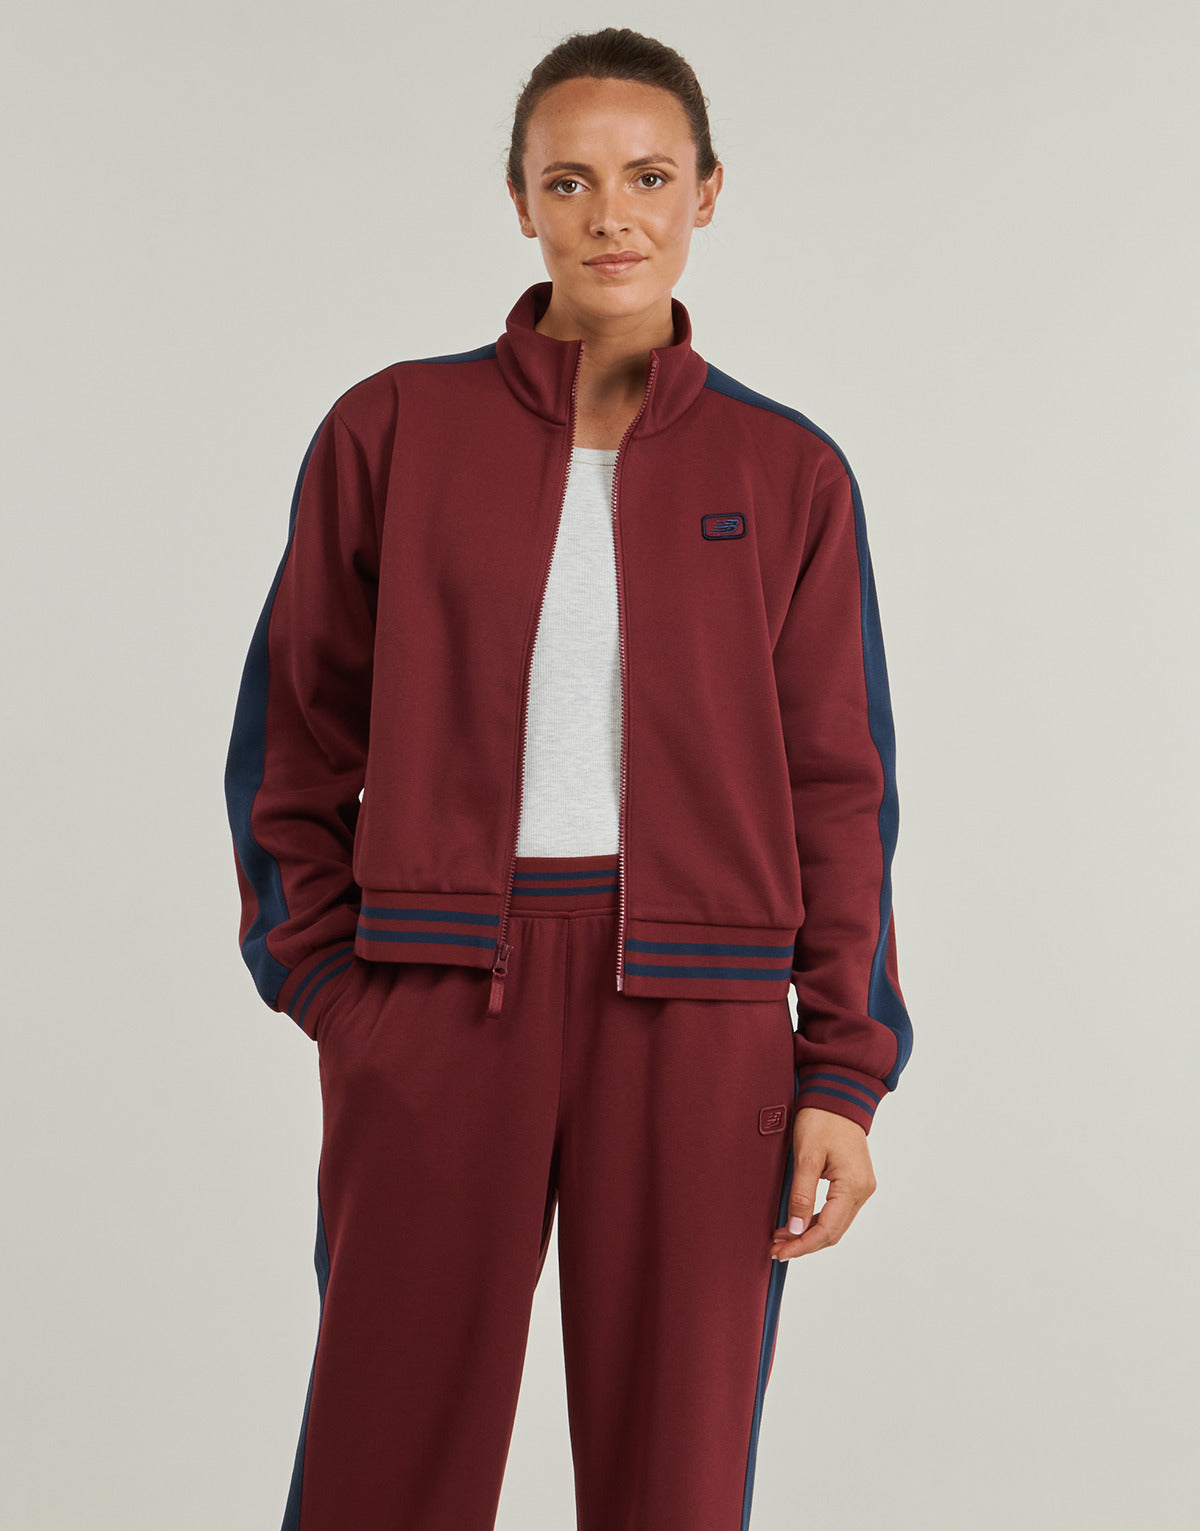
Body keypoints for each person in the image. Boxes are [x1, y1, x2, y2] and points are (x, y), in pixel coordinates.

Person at [223, 25, 913, 1531]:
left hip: (704, 1015)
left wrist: (842, 1072)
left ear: (708, 193)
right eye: (572, 179)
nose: (614, 215)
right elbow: (293, 731)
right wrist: (333, 985)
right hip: (435, 988)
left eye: (651, 177)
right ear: (521, 199)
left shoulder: (787, 473)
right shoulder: (392, 430)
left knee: (676, 1478)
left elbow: (839, 786)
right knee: (384, 1464)